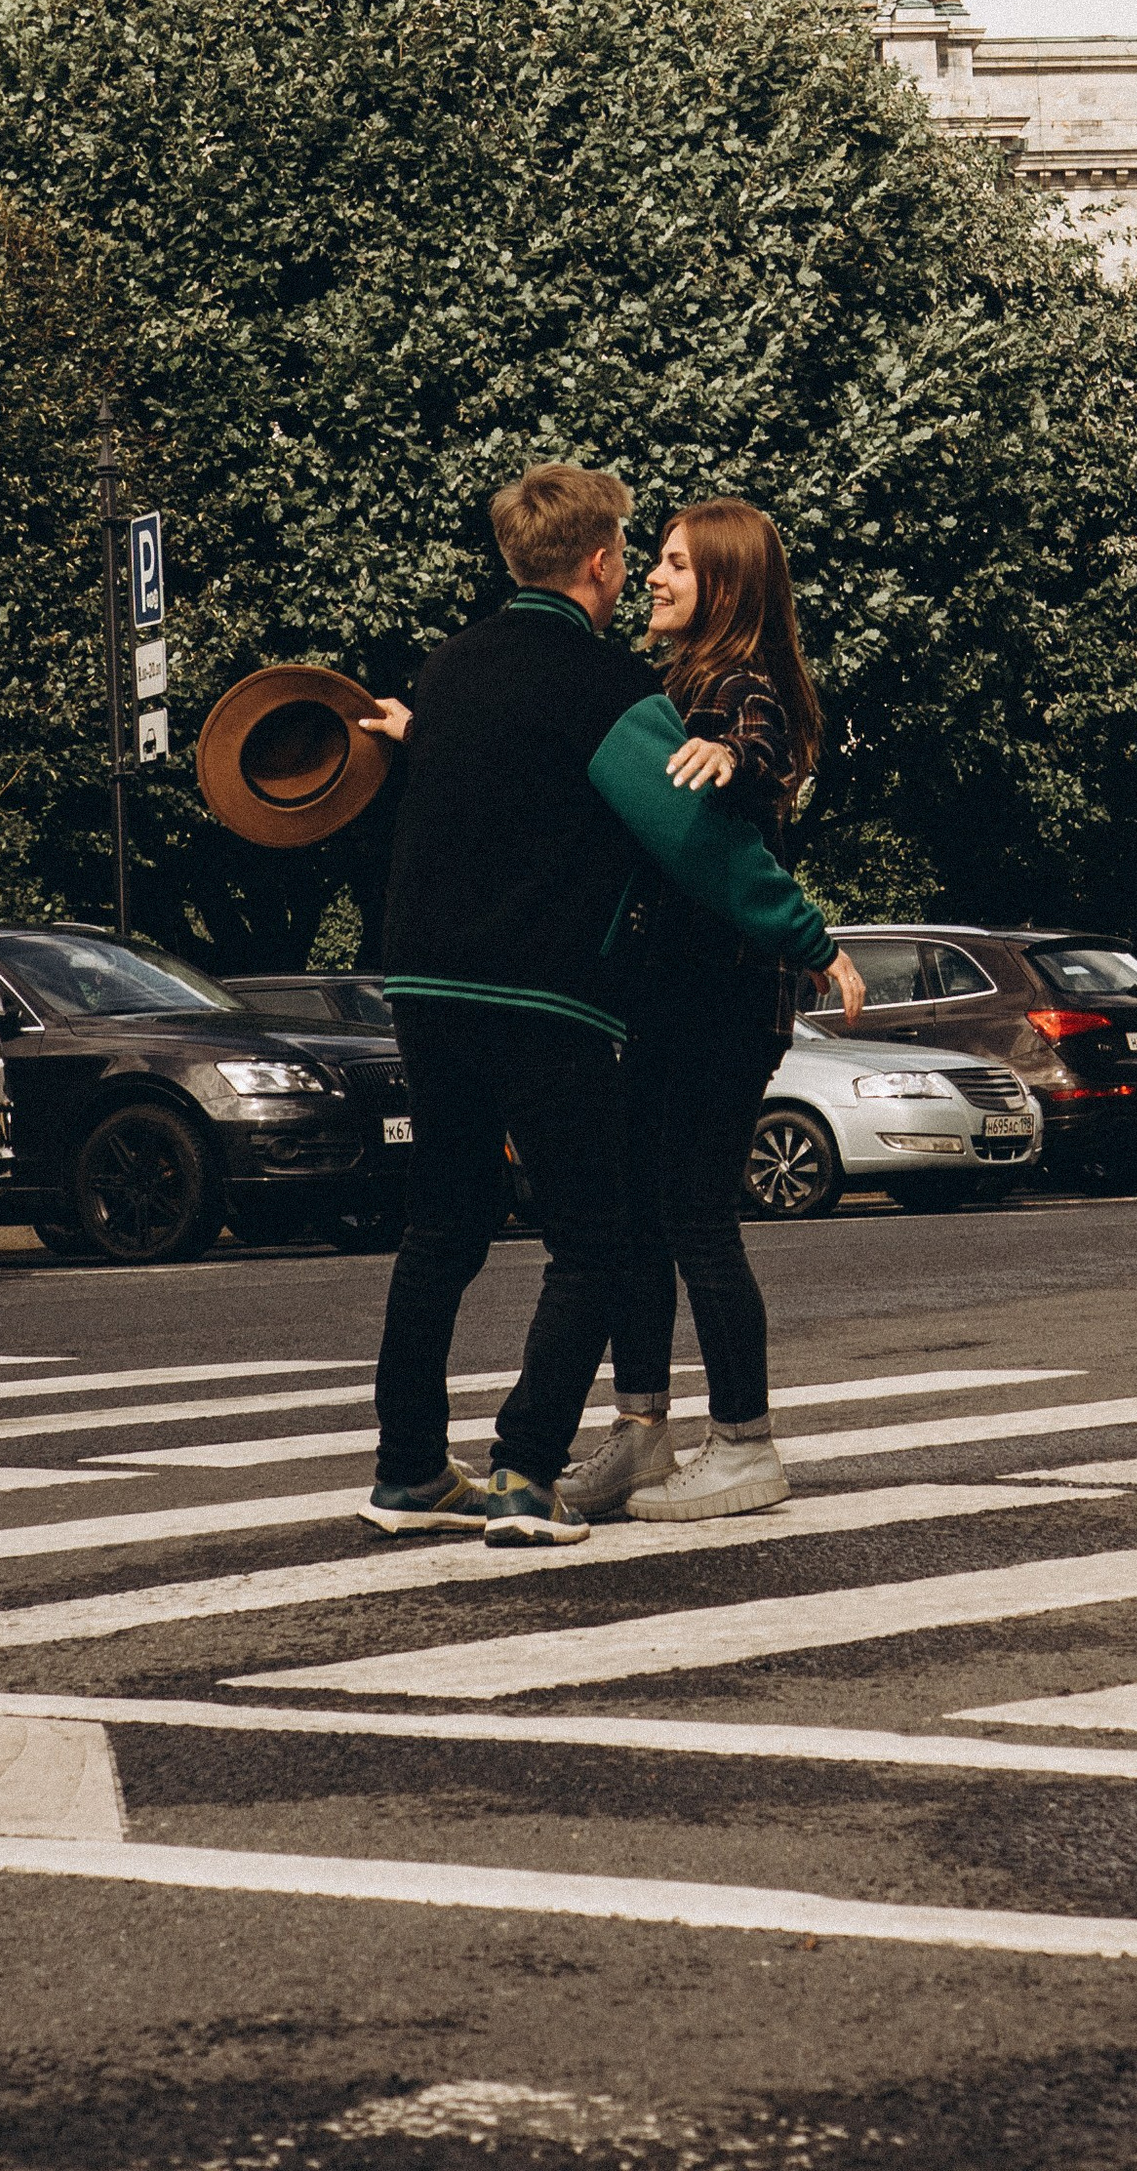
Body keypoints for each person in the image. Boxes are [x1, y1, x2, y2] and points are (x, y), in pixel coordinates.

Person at [363, 462, 835, 1550]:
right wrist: (808, 938)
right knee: (601, 1237)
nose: (639, 570)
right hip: (543, 995)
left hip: (422, 987)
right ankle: (527, 1473)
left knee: (440, 1226)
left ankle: (405, 1472)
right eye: (636, 552)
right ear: (599, 561)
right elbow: (689, 836)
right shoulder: (603, 687)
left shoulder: (448, 671)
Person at [561, 500, 864, 1526]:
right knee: (639, 1212)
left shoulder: (741, 689)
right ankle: (640, 1431)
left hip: (727, 997)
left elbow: (765, 745)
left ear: (727, 586)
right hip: (658, 995)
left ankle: (744, 1443)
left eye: (678, 565)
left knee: (693, 1211)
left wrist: (735, 762)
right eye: (654, 560)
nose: (654, 577)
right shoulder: (667, 687)